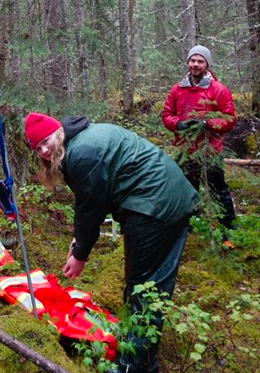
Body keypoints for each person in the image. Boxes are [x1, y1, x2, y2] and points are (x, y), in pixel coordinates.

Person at [24, 112, 200, 373]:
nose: (45, 150)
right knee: (150, 283)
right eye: (38, 147)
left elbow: (90, 207)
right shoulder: (81, 140)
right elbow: (97, 197)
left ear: (57, 133)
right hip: (165, 197)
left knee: (144, 286)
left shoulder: (82, 153)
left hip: (154, 204)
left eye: (46, 141)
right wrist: (79, 240)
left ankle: (133, 365)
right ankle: (143, 356)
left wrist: (79, 254)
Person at [162, 45, 237, 248]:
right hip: (184, 150)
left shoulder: (218, 90)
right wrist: (177, 124)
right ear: (188, 63)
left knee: (218, 191)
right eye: (192, 60)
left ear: (206, 65)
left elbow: (229, 119)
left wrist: (207, 124)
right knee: (186, 191)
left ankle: (228, 231)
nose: (195, 64)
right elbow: (166, 114)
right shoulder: (178, 89)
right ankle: (188, 228)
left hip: (210, 150)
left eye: (200, 61)